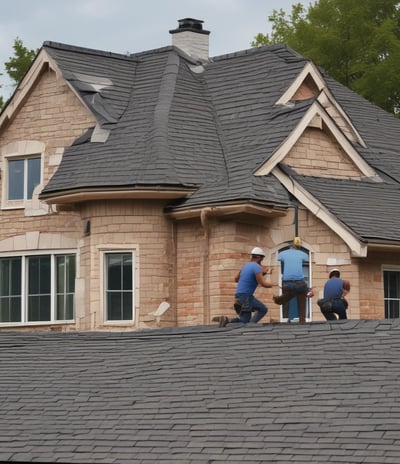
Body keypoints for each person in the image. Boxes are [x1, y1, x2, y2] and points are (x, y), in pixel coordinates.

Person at [218, 247, 274, 327]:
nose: (262, 260)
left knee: (244, 320)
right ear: (259, 257)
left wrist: (262, 274)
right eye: (262, 258)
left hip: (239, 296)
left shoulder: (245, 266)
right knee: (263, 309)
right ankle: (251, 325)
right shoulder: (256, 267)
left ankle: (227, 320)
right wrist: (273, 284)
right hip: (246, 296)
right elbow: (262, 283)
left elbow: (236, 279)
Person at [273, 237, 309, 324]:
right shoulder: (303, 254)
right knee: (302, 294)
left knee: (290, 292)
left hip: (287, 283)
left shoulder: (283, 253)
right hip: (299, 283)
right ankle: (302, 320)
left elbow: (278, 258)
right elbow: (306, 258)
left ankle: (283, 299)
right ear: (299, 246)